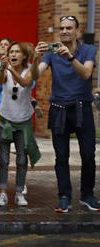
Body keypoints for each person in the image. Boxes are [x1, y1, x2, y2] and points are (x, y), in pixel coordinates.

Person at [36, 15, 99, 212]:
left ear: (77, 31)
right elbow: (36, 75)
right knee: (61, 156)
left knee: (88, 154)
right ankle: (64, 196)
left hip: (82, 106)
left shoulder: (88, 50)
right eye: (61, 28)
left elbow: (86, 73)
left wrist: (70, 57)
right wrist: (35, 57)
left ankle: (87, 195)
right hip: (59, 108)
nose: (64, 31)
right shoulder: (52, 52)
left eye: (69, 28)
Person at [0, 42, 40, 207]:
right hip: (5, 119)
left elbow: (25, 82)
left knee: (22, 159)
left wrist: (11, 69)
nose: (13, 55)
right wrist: (2, 68)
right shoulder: (6, 69)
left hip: (23, 121)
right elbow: (0, 81)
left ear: (24, 56)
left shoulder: (30, 70)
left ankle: (19, 192)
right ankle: (2, 193)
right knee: (4, 160)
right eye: (11, 52)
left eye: (16, 52)